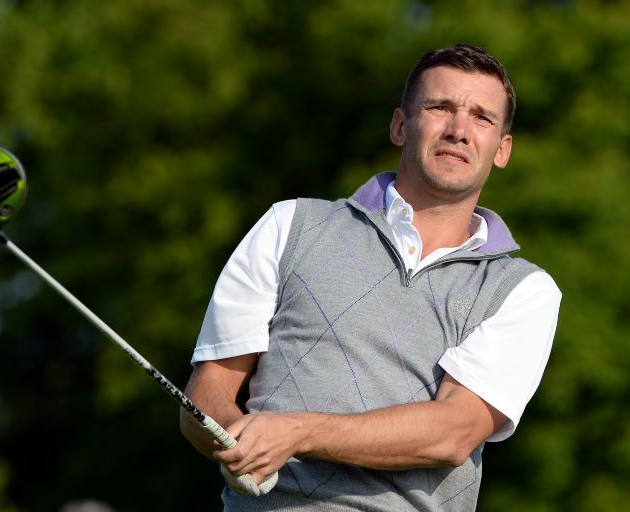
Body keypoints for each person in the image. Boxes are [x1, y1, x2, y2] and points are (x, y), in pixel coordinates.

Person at [180, 44, 561, 511]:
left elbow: (453, 432)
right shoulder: (289, 225)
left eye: (481, 117)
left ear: (502, 150)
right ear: (400, 126)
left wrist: (298, 433)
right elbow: (209, 390)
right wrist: (234, 439)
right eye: (440, 108)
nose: (459, 130)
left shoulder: (520, 290)